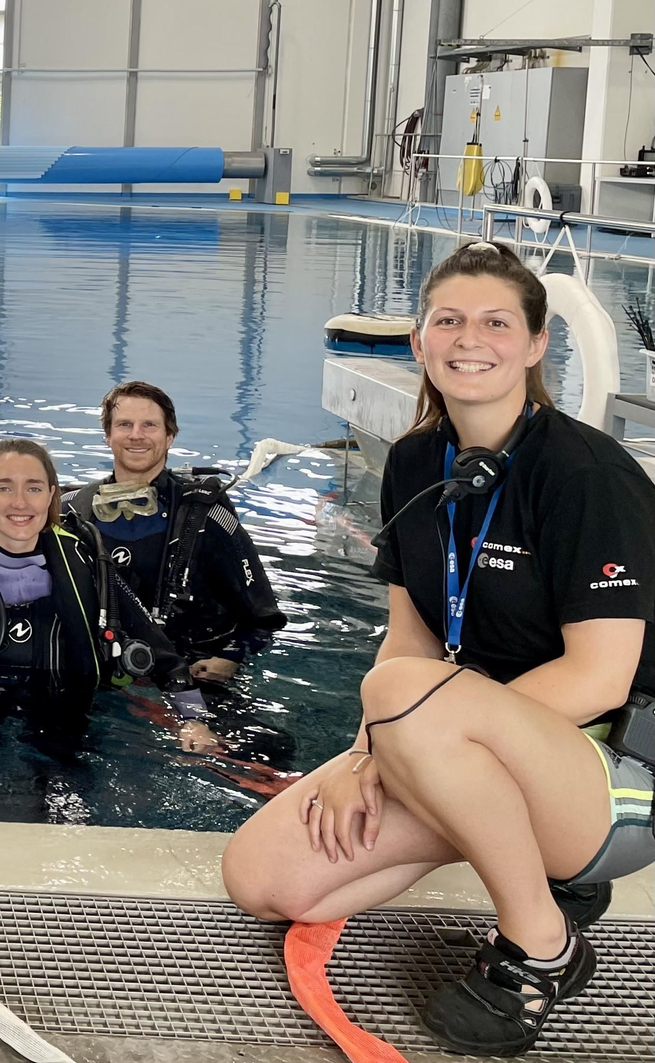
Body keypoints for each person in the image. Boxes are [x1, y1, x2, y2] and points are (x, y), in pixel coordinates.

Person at [222, 241, 655, 1057]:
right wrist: (365, 757)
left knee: (400, 697)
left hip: (615, 780)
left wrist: (407, 737)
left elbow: (601, 677)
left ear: (534, 346)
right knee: (262, 879)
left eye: (497, 321)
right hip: (459, 742)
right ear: (419, 341)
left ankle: (544, 942)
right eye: (448, 320)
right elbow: (412, 633)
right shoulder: (420, 459)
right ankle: (501, 830)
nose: (469, 337)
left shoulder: (586, 474)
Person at [0, 438, 218, 765]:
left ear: (52, 495)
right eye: (5, 488)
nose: (20, 503)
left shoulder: (86, 562)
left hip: (64, 715)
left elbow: (160, 652)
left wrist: (193, 721)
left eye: (33, 488)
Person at [65, 381, 285, 683]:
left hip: (192, 673)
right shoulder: (74, 512)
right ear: (107, 435)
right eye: (124, 424)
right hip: (104, 673)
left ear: (169, 437)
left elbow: (264, 618)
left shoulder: (204, 515)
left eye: (150, 425)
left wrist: (230, 657)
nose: (136, 435)